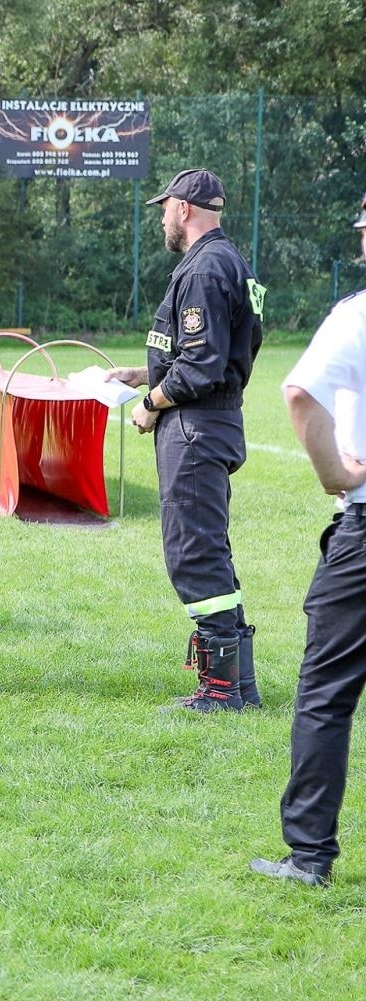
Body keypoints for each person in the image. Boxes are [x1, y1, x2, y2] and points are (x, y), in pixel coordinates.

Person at [104, 169, 264, 713]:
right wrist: (142, 374)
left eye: (165, 206)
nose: (162, 216)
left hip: (194, 427)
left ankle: (219, 691)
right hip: (213, 420)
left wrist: (151, 406)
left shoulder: (203, 269)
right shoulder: (228, 261)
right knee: (210, 550)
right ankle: (240, 684)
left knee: (193, 554)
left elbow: (200, 366)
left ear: (186, 208)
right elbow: (211, 355)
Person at [248, 195, 366, 888]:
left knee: (326, 692)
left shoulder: (355, 317)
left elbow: (299, 394)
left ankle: (310, 856)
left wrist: (336, 473)